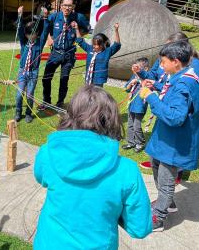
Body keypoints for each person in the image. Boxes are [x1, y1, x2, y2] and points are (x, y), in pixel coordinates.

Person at [34, 85, 152, 249]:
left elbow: (42, 178)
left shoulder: (47, 153)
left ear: (71, 115)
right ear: (111, 120)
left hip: (48, 243)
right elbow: (139, 228)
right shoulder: (127, 171)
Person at [139, 40, 199, 232]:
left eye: (163, 62)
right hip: (166, 138)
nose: (161, 65)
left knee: (167, 180)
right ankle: (167, 203)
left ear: (176, 61)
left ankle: (158, 218)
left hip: (174, 142)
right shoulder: (181, 74)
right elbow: (171, 94)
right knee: (157, 165)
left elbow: (175, 117)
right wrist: (157, 87)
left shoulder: (184, 83)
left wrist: (150, 97)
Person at [38, 0, 90, 110]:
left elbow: (87, 28)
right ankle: (46, 101)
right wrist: (49, 38)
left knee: (63, 79)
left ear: (73, 7)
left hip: (69, 54)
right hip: (55, 53)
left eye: (69, 6)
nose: (67, 8)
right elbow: (46, 28)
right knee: (46, 78)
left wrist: (77, 32)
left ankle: (60, 102)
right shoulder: (55, 16)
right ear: (61, 6)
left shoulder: (78, 17)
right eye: (65, 5)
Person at [14, 6, 49, 123]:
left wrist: (44, 17)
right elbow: (19, 30)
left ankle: (28, 113)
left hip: (33, 72)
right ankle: (18, 111)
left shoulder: (39, 44)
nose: (30, 36)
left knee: (29, 95)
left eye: (32, 34)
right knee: (19, 94)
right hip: (22, 71)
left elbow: (45, 32)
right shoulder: (23, 43)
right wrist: (19, 15)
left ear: (37, 34)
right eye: (28, 34)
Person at [75, 23, 121, 87]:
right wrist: (76, 28)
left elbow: (117, 45)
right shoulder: (90, 49)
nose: (95, 46)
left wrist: (116, 30)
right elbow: (80, 41)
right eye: (94, 44)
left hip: (98, 81)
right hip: (88, 79)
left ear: (103, 44)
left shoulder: (107, 51)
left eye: (98, 45)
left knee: (96, 95)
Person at [122, 57, 149, 153]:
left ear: (145, 69)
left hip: (140, 106)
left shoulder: (147, 78)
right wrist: (130, 84)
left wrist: (139, 82)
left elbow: (148, 88)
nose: (136, 69)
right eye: (135, 67)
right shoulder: (134, 76)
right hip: (131, 104)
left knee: (137, 125)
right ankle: (131, 142)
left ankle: (140, 143)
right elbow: (126, 89)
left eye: (139, 68)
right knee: (130, 124)